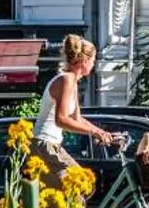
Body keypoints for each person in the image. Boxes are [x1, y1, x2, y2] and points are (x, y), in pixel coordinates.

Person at [29, 35, 123, 190]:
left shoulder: (71, 81)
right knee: (77, 186)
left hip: (51, 144)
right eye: (93, 60)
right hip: (44, 144)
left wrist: (102, 133)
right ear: (84, 61)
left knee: (83, 185)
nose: (93, 64)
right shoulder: (66, 80)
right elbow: (61, 119)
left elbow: (77, 118)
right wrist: (94, 132)